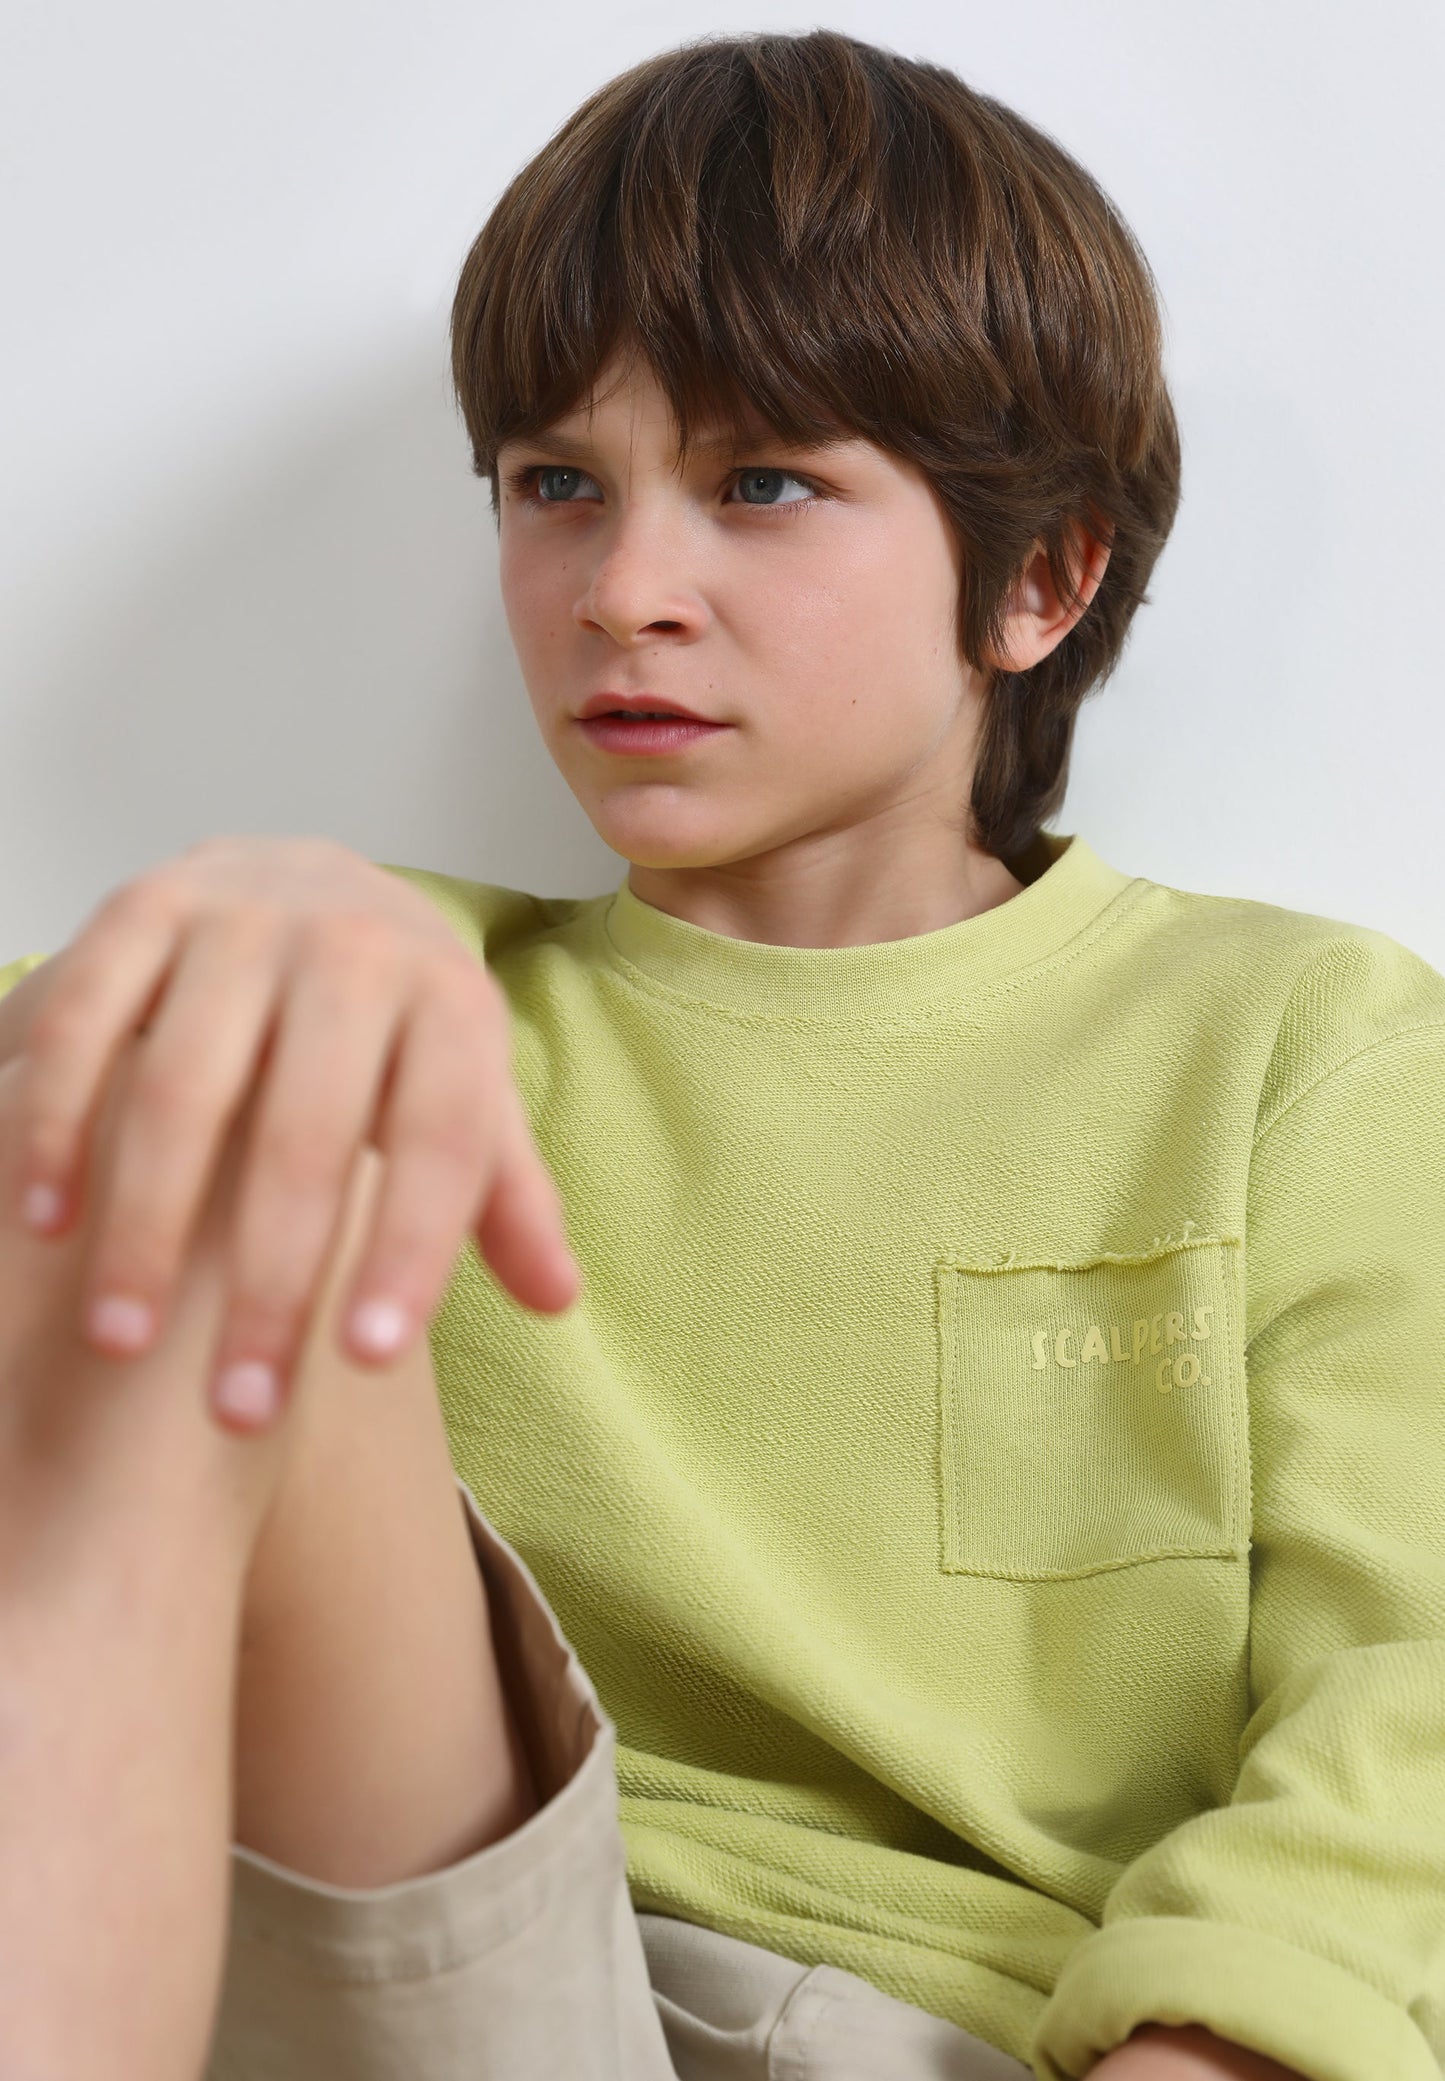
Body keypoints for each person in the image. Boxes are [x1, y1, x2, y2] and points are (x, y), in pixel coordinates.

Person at [0, 26, 1441, 2081]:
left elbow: (1413, 1705)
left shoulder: (1302, 1050)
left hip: (956, 2032)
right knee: (212, 1090)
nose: (624, 593)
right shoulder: (389, 993)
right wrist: (249, 920)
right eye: (555, 487)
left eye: (764, 483)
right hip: (407, 1974)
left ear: (1037, 577)